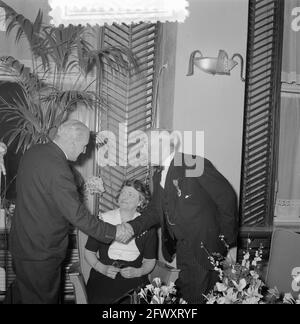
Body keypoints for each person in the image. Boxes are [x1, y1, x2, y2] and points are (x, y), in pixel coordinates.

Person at [6, 120, 131, 304]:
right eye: (83, 146)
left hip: (22, 247)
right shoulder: (59, 169)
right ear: (73, 141)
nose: (83, 151)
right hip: (41, 253)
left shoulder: (34, 152)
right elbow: (77, 214)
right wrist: (114, 231)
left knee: (20, 296)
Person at [124, 129, 239, 304]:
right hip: (182, 248)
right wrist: (130, 227)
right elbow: (155, 211)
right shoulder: (158, 174)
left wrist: (225, 239)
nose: (142, 150)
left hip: (203, 247)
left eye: (145, 144)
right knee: (193, 296)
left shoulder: (192, 163)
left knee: (193, 298)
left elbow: (227, 197)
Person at [85, 179, 157, 304]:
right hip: (104, 276)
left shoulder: (148, 226)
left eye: (130, 194)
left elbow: (150, 261)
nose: (124, 197)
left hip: (135, 279)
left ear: (140, 202)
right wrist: (101, 268)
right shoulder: (102, 220)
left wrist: (138, 272)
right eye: (123, 193)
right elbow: (89, 252)